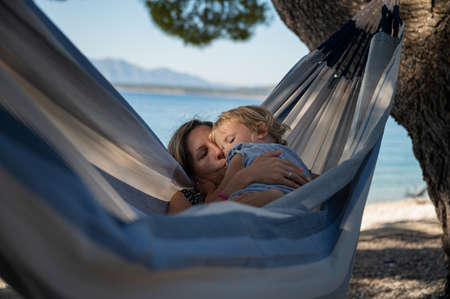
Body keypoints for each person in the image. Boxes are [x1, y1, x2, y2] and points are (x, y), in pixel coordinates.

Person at [167, 119, 310, 214]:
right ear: (194, 175)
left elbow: (323, 184)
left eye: (220, 144)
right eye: (204, 154)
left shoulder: (263, 163)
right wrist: (244, 177)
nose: (219, 152)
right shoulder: (186, 200)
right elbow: (182, 243)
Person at [210, 105, 312, 202]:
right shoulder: (290, 152)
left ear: (260, 130)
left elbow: (225, 189)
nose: (227, 151)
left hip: (262, 198)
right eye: (222, 149)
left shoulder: (241, 153)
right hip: (300, 200)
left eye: (231, 140)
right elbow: (308, 178)